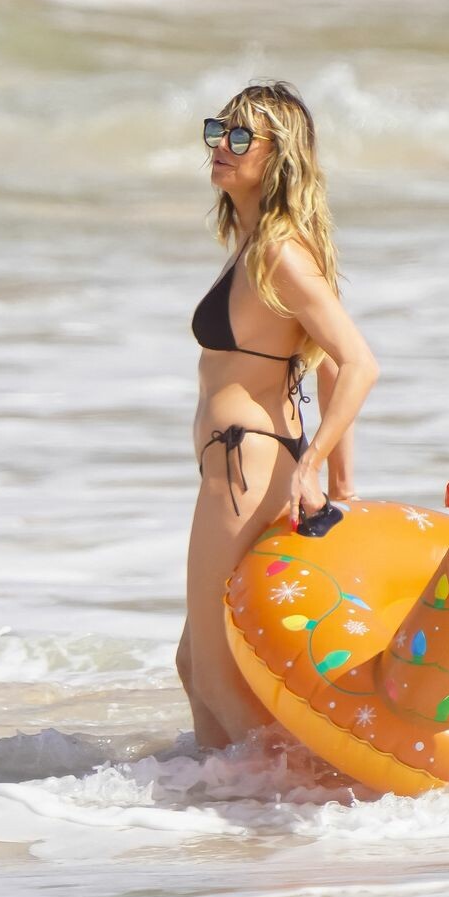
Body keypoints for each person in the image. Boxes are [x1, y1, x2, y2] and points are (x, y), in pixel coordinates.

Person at [176, 82, 380, 751]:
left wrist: (319, 468)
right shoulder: (256, 243)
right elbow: (325, 366)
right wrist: (341, 483)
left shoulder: (279, 252)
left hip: (248, 461)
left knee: (213, 674)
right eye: (218, 131)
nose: (222, 147)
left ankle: (285, 798)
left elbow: (357, 362)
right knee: (199, 665)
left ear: (279, 155)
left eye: (241, 138)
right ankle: (225, 797)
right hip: (246, 460)